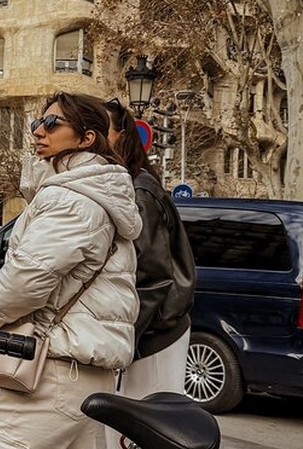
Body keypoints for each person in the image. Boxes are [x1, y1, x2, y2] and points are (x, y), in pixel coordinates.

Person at [0, 92, 142, 449]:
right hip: (79, 369)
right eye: (37, 122)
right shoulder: (86, 192)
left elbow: (26, 280)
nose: (39, 130)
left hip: (53, 372)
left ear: (87, 138)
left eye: (53, 123)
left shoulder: (73, 199)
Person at [102, 99, 196, 447]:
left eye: (100, 129)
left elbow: (151, 278)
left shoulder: (139, 191)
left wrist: (120, 341)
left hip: (153, 335)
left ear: (123, 137)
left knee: (135, 434)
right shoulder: (127, 184)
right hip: (149, 332)